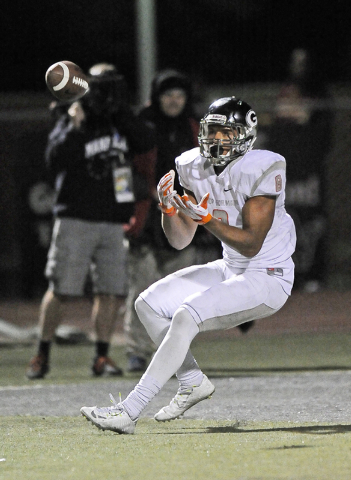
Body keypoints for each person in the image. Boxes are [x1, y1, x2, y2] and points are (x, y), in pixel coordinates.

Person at [80, 96, 296, 434]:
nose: (217, 140)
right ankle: (192, 380)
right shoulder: (191, 164)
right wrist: (169, 211)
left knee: (185, 314)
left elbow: (252, 243)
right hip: (231, 267)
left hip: (269, 276)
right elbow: (180, 239)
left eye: (226, 133)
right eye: (212, 131)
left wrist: (208, 219)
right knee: (148, 304)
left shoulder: (264, 166)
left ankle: (129, 410)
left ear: (245, 135)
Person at [26, 63, 155, 380]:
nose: (104, 93)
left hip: (113, 219)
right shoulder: (72, 112)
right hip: (76, 217)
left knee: (110, 291)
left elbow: (146, 142)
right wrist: (74, 125)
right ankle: (41, 354)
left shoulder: (120, 118)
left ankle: (101, 356)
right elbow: (53, 161)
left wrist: (121, 110)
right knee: (62, 289)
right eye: (100, 85)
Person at [124, 69, 218, 373]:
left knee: (182, 291)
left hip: (182, 215)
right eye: (168, 94)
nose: (174, 100)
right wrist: (149, 192)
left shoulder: (193, 126)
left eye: (179, 94)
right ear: (156, 97)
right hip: (148, 216)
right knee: (143, 288)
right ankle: (137, 351)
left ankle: (175, 352)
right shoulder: (142, 125)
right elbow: (127, 169)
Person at [267, 48, 333, 291]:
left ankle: (313, 274)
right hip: (287, 178)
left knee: (312, 224)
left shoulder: (319, 95)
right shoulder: (281, 122)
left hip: (309, 179)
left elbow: (323, 138)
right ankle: (286, 273)